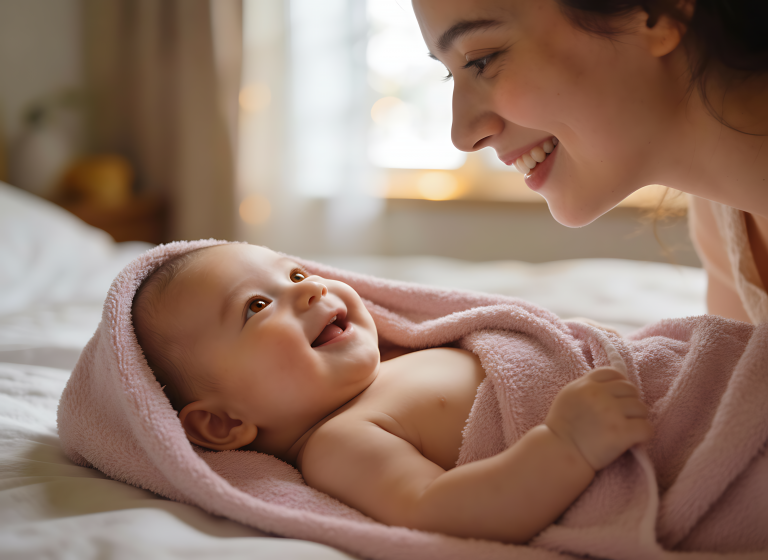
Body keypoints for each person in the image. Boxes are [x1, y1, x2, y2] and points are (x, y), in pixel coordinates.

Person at [131, 242, 653, 544]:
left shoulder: (390, 363)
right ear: (222, 423)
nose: (308, 288)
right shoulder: (339, 443)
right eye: (256, 306)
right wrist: (566, 444)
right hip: (634, 435)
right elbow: (437, 511)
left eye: (294, 272)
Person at [411, 0, 768, 323]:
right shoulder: (725, 220)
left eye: (481, 60)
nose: (462, 136)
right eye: (449, 73)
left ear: (657, 14)